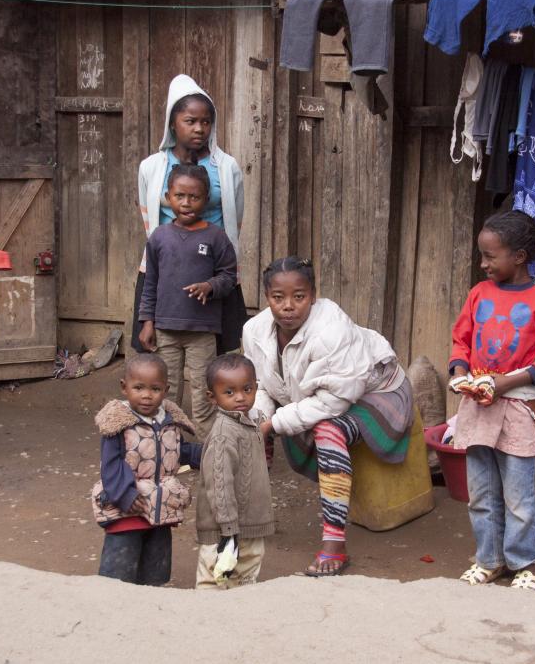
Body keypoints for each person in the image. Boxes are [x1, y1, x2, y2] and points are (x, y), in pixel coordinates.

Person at [242, 257, 414, 577]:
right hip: (314, 399)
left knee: (328, 431)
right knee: (251, 422)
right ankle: (252, 518)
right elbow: (261, 386)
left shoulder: (331, 329)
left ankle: (334, 544)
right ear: (267, 298)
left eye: (299, 296)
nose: (288, 306)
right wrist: (261, 420)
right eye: (278, 297)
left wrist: (275, 422)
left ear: (313, 295)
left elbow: (333, 401)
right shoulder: (253, 330)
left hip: (374, 395)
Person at [448, 211, 535, 593]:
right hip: (477, 405)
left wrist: (504, 383)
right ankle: (489, 559)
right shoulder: (478, 294)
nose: (483, 264)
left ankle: (527, 563)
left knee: (518, 495)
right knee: (480, 492)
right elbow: (460, 340)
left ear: (518, 257)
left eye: (490, 256)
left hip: (516, 406)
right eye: (481, 256)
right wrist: (459, 373)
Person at [135, 74, 247, 357]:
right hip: (167, 267)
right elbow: (149, 219)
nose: (200, 128)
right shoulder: (151, 167)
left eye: (206, 121)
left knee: (214, 352)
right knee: (161, 350)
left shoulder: (226, 167)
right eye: (190, 121)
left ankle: (208, 401)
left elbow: (235, 216)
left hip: (213, 268)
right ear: (173, 123)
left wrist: (219, 257)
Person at [138, 164, 237, 437]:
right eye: (179, 195)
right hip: (165, 329)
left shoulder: (216, 237)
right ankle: (169, 446)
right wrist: (147, 322)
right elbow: (150, 283)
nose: (186, 203)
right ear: (168, 197)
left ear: (206, 199)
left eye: (194, 197)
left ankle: (207, 450)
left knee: (204, 394)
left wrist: (210, 286)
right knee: (165, 392)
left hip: (202, 332)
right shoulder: (159, 237)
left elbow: (229, 276)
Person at [94, 353, 202, 585]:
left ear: (166, 389)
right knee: (119, 570)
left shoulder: (169, 423)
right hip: (127, 509)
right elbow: (110, 465)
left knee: (155, 569)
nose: (146, 395)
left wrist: (207, 455)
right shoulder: (118, 423)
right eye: (139, 387)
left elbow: (177, 451)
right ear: (124, 387)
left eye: (155, 389)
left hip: (159, 508)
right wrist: (125, 494)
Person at [194, 353, 274, 590]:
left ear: (256, 388)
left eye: (247, 389)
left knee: (245, 581)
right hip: (225, 531)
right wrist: (228, 532)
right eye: (229, 392)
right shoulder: (223, 435)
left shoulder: (253, 422)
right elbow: (219, 485)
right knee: (214, 580)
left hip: (250, 526)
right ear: (212, 397)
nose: (240, 397)